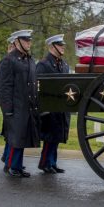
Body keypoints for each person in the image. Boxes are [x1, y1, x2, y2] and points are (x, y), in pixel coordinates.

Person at [0, 30, 40, 178]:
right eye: (25, 40)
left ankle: (16, 165)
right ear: (17, 42)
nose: (29, 42)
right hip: (15, 107)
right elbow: (4, 87)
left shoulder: (29, 60)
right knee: (16, 138)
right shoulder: (9, 60)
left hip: (26, 106)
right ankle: (12, 166)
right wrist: (7, 109)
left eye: (29, 40)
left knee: (21, 137)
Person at [36, 34, 70, 174]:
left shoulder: (63, 64)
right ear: (52, 47)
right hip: (49, 106)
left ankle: (53, 162)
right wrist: (42, 107)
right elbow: (38, 86)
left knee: (56, 137)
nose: (62, 47)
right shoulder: (43, 64)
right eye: (59, 45)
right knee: (49, 138)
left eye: (62, 45)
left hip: (60, 107)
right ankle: (45, 163)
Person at [0, 34, 16, 168]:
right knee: (10, 134)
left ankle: (7, 157)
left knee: (12, 134)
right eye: (11, 46)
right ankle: (7, 160)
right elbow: (4, 86)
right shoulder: (6, 61)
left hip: (15, 103)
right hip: (9, 103)